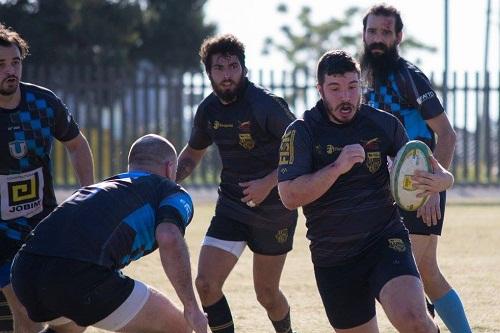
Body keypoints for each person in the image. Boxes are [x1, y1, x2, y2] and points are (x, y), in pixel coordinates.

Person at [277, 50, 453, 332]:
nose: (345, 97)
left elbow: (428, 167)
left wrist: (443, 182)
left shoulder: (383, 125)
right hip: (333, 257)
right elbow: (289, 196)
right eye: (335, 89)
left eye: (352, 87)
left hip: (384, 241)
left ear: (361, 86)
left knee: (416, 320)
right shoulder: (302, 132)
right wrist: (336, 168)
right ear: (320, 89)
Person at [11, 134, 208, 333]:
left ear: (131, 166)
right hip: (76, 273)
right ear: (170, 168)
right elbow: (168, 236)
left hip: (24, 268)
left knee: (71, 325)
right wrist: (191, 307)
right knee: (179, 327)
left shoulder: (105, 186)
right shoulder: (169, 190)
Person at [360, 5, 472, 332]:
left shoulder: (409, 76)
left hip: (419, 188)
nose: (377, 39)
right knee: (423, 273)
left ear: (398, 37)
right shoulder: (362, 78)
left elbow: (447, 134)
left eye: (385, 32)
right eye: (372, 32)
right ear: (364, 34)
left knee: (418, 270)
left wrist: (432, 187)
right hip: (384, 191)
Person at [176, 34, 298, 333]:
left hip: (274, 210)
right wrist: (164, 181)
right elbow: (192, 155)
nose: (227, 74)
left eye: (233, 66)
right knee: (206, 284)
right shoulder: (208, 111)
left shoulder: (265, 104)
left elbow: (300, 148)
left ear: (243, 69)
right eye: (219, 68)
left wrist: (269, 183)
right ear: (209, 73)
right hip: (232, 207)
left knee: (267, 295)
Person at [0, 23, 94, 333]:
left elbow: (77, 145)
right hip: (1, 234)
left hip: (43, 225)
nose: (10, 70)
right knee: (27, 312)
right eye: (1, 65)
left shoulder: (43, 103)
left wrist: (88, 195)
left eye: (15, 62)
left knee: (74, 318)